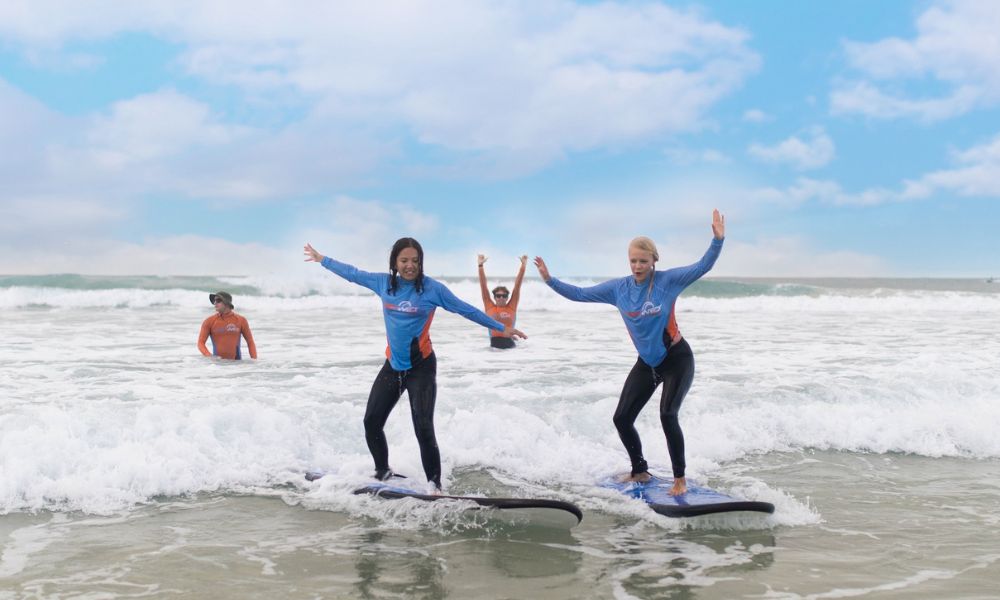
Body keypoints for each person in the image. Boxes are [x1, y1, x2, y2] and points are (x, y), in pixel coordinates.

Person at [304, 238, 526, 491]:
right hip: (394, 366)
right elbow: (353, 274)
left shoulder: (433, 289)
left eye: (415, 261)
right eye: (404, 260)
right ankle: (383, 472)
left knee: (423, 427)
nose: (410, 265)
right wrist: (323, 260)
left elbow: (464, 309)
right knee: (371, 422)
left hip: (421, 367)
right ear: (395, 263)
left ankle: (435, 486)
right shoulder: (383, 283)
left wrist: (500, 328)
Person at [534, 209, 725, 496]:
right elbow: (580, 294)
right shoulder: (618, 289)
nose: (637, 266)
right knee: (622, 418)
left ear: (654, 260)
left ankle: (680, 479)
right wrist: (550, 280)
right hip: (647, 363)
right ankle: (640, 471)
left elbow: (702, 266)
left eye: (643, 261)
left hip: (677, 359)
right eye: (633, 260)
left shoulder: (668, 281)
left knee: (667, 414)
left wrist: (717, 241)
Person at [477, 254, 527, 349]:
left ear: (507, 297)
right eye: (498, 296)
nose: (501, 298)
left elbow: (517, 286)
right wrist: (480, 266)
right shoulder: (489, 306)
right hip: (494, 347)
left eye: (504, 296)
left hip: (510, 346)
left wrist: (523, 266)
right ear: (494, 297)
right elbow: (483, 286)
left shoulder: (511, 307)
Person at [197, 291, 258, 360]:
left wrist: (254, 360)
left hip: (237, 364)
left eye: (218, 301)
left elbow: (250, 342)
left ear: (226, 303)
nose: (215, 303)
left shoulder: (241, 320)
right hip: (217, 364)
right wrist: (210, 356)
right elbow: (200, 343)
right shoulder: (209, 321)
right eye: (214, 301)